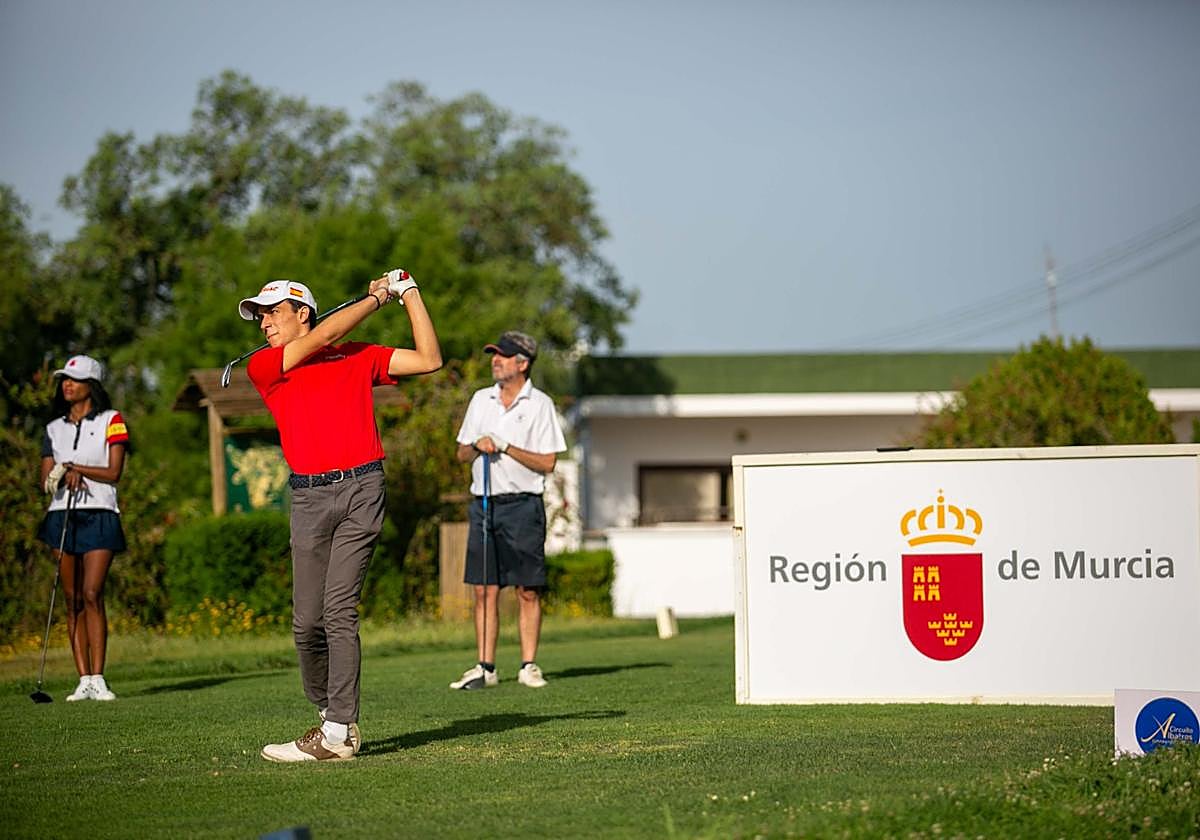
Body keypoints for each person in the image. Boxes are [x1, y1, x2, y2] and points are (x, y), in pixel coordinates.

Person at [242, 270, 441, 762]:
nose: (264, 323)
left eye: (273, 313)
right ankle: (328, 713)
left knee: (338, 610)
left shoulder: (358, 356)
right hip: (308, 497)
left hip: (361, 487)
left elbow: (430, 359)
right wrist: (377, 297)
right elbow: (328, 333)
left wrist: (409, 293)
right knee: (306, 624)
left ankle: (337, 731)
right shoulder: (267, 366)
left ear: (301, 312)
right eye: (260, 316)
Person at [450, 331, 567, 691]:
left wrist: (506, 446)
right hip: (484, 504)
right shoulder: (480, 399)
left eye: (503, 356)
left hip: (523, 505)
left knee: (527, 589)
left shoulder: (540, 404)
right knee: (484, 589)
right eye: (494, 355)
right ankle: (485, 667)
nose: (495, 361)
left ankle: (529, 665)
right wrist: (477, 444)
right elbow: (461, 454)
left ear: (523, 363)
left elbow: (547, 462)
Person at [38, 354, 130, 702]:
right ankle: (83, 680)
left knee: (92, 593)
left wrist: (78, 467)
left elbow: (114, 472)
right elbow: (45, 482)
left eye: (74, 379)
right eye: (64, 379)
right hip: (62, 514)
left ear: (91, 384)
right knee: (72, 597)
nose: (67, 384)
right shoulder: (53, 428)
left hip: (101, 512)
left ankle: (99, 676)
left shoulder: (112, 420)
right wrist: (62, 473)